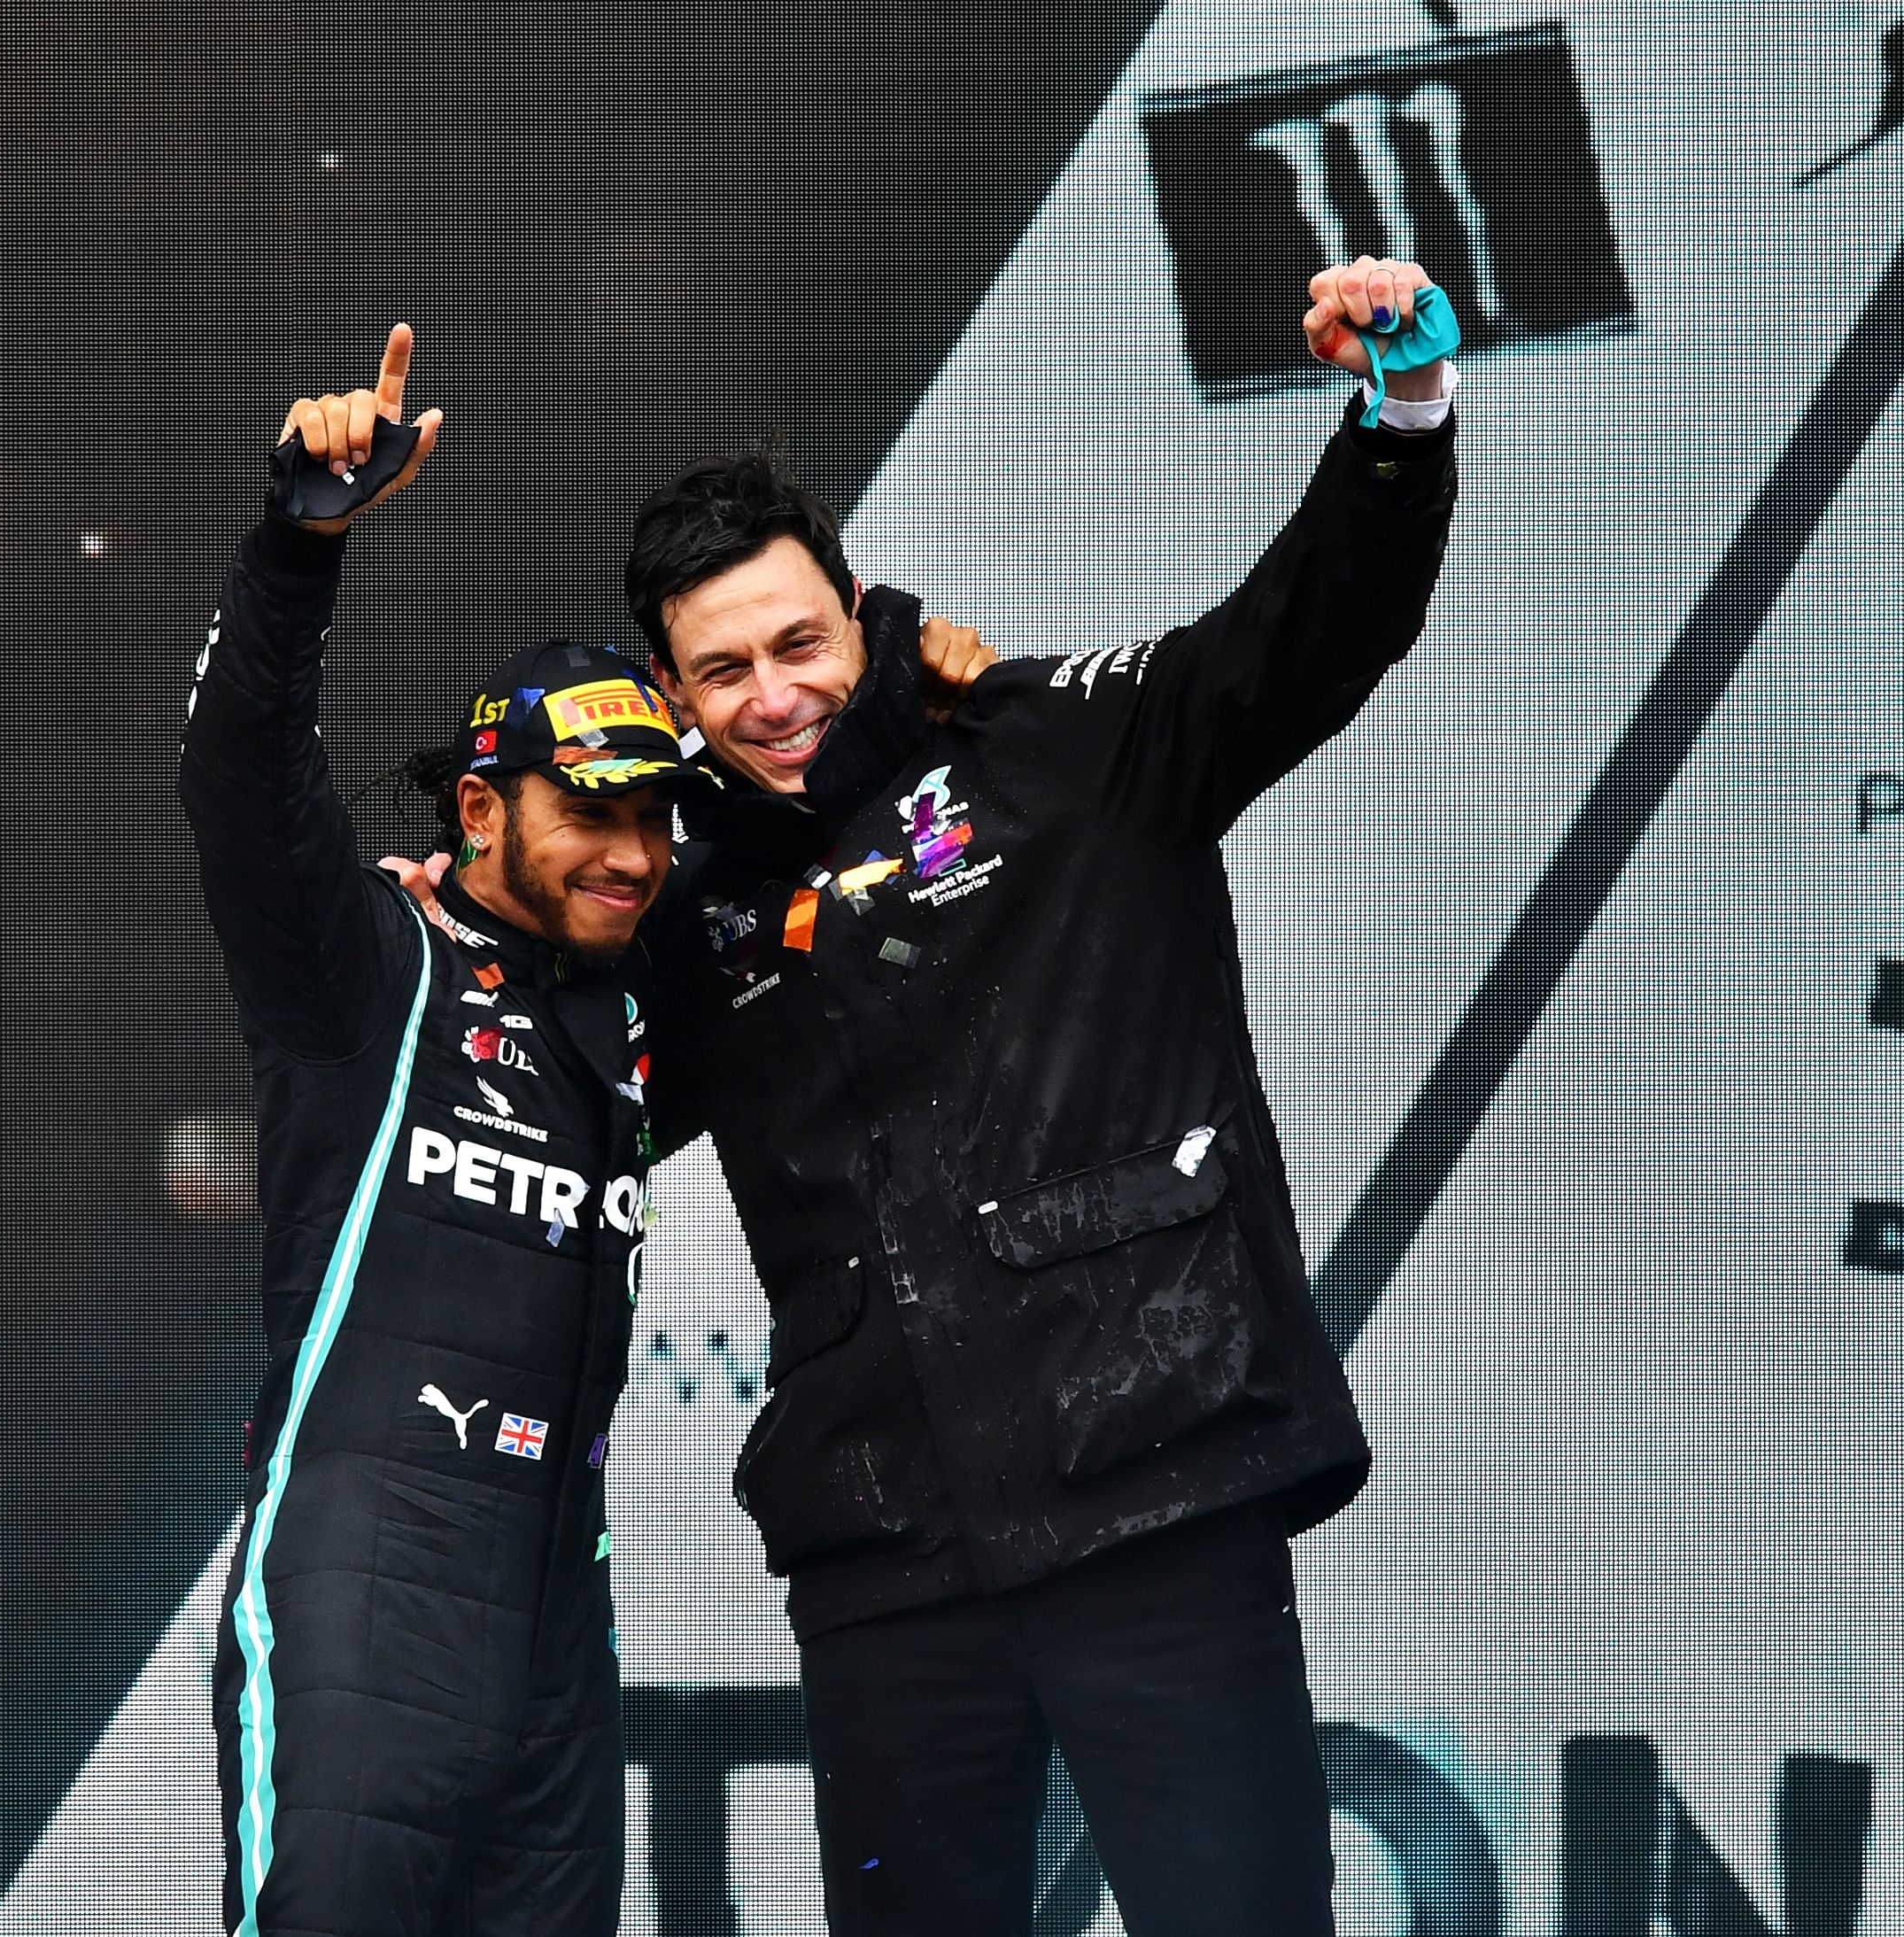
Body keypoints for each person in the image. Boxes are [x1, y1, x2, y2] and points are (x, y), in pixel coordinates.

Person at [624, 257, 1463, 1933]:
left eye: (797, 642)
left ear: (857, 618)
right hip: (888, 1559)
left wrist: (1401, 417)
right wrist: (469, 920)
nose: (773, 696)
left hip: (1151, 1485)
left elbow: (1302, 638)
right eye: (725, 675)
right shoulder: (687, 910)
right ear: (674, 706)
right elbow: (575, 1092)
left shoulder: (1059, 751)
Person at [177, 325, 692, 1937]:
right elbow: (238, 772)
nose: (633, 852)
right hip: (364, 1573)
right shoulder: (365, 962)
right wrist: (300, 541)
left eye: (655, 817)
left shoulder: (635, 1014)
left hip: (559, 1606)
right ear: (480, 811)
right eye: (590, 811)